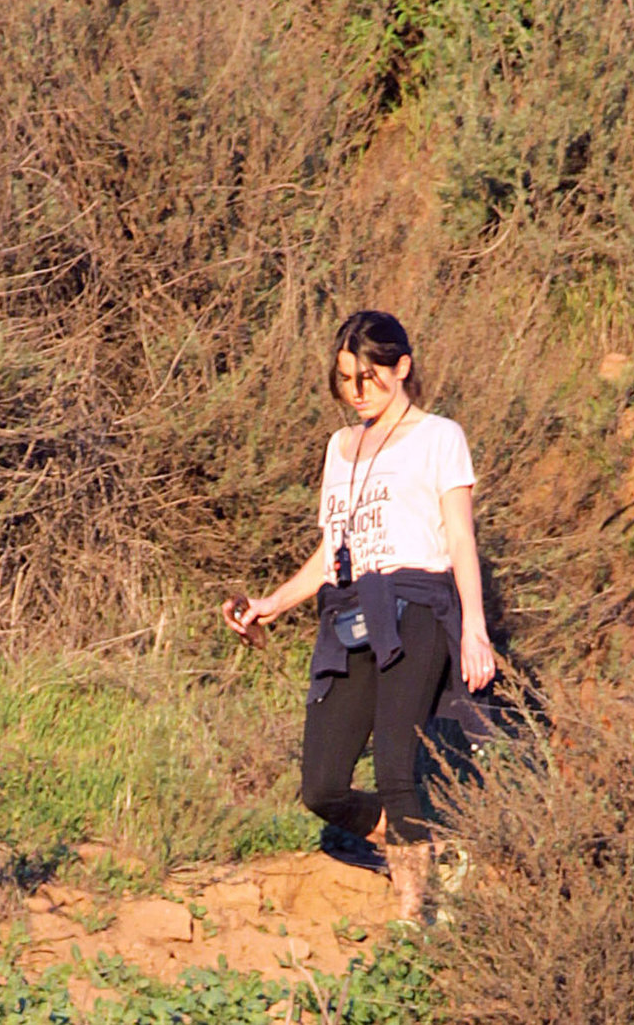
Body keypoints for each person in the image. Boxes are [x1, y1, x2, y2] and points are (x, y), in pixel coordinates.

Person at [223, 310, 495, 921]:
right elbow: (333, 551)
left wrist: (473, 628)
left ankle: (413, 918)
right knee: (322, 786)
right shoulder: (339, 448)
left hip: (417, 607)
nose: (357, 391)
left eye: (369, 376)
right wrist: (271, 604)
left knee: (397, 765)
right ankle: (430, 845)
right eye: (345, 378)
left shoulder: (438, 437)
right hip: (349, 612)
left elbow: (459, 539)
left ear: (402, 368)